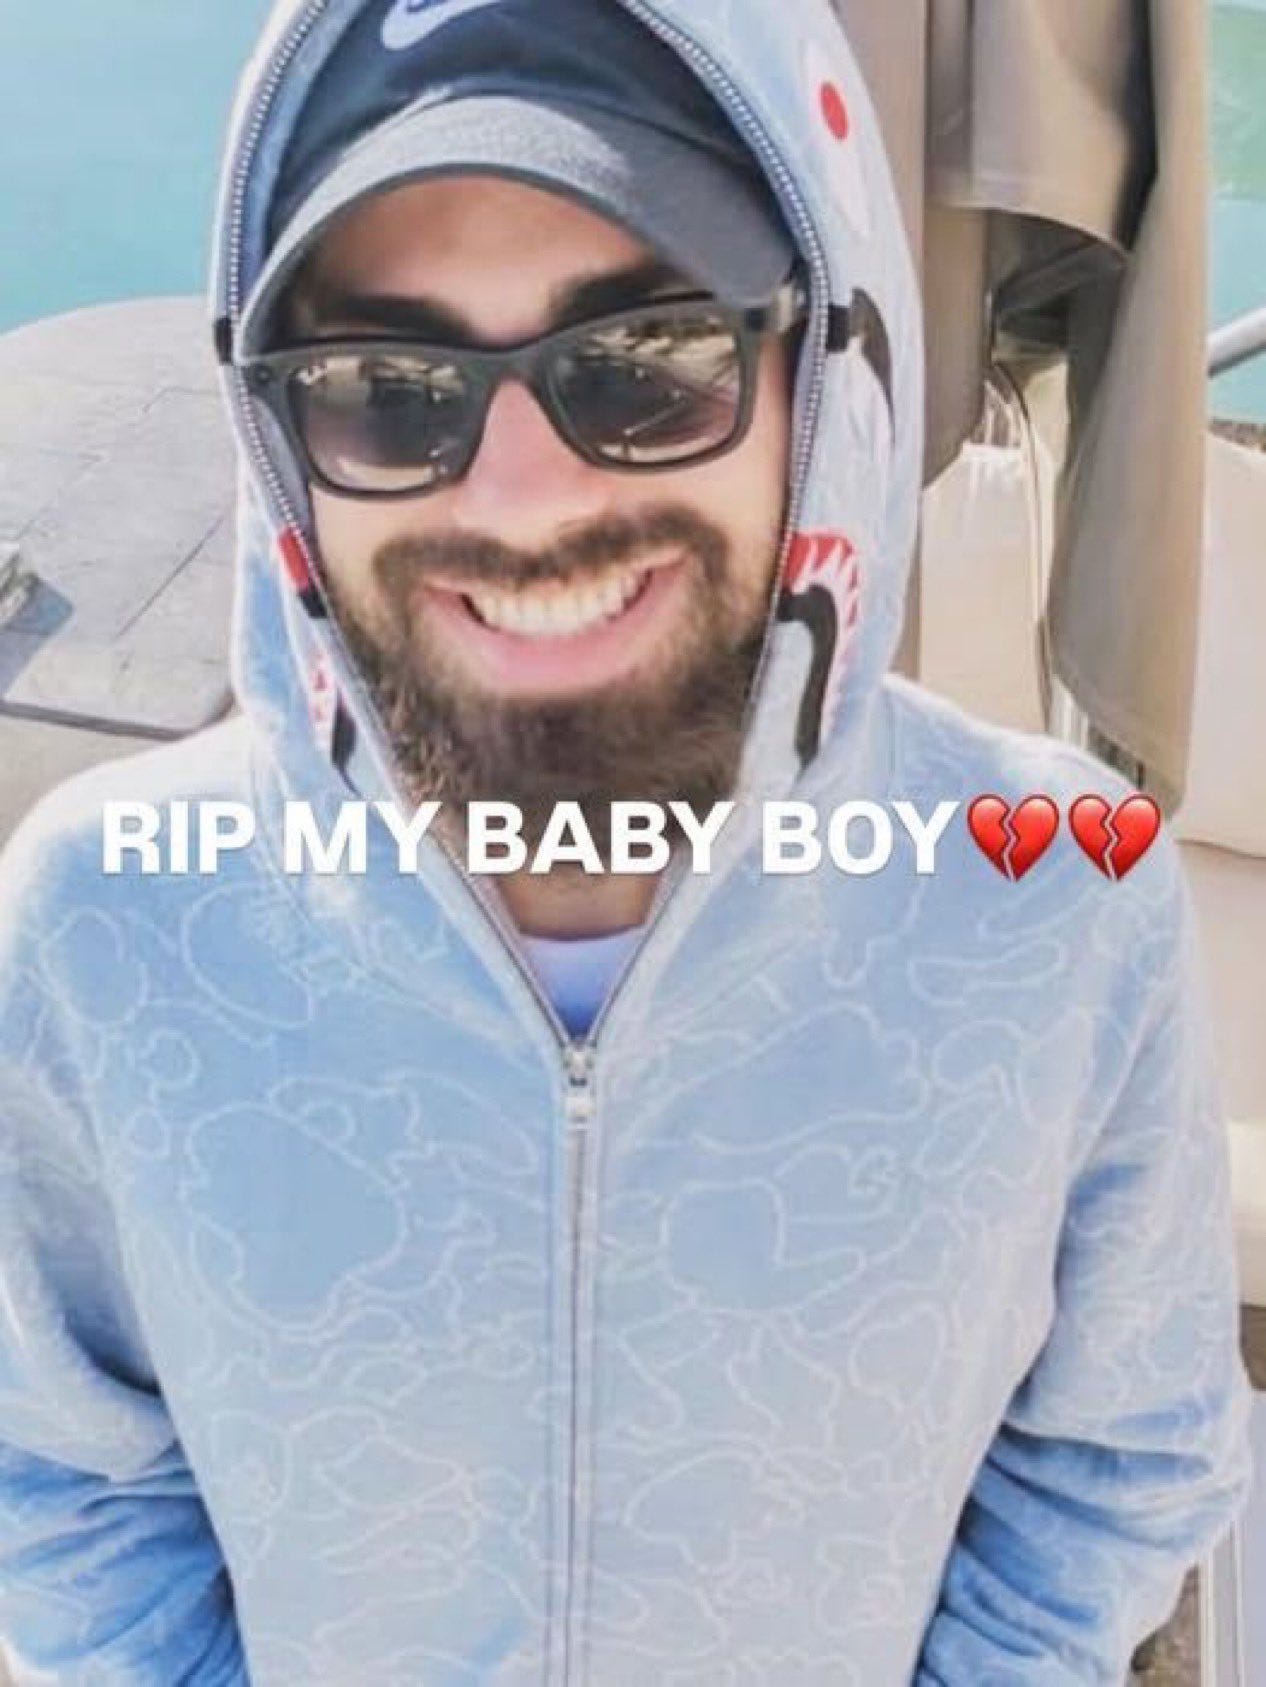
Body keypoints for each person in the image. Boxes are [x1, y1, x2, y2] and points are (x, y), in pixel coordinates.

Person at [0, 0, 1250, 1682]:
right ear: (278, 445)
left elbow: (1122, 1457)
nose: (522, 501)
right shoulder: (100, 922)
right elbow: (61, 1473)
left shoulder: (1065, 897)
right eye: (385, 388)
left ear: (830, 366)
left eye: (650, 360)